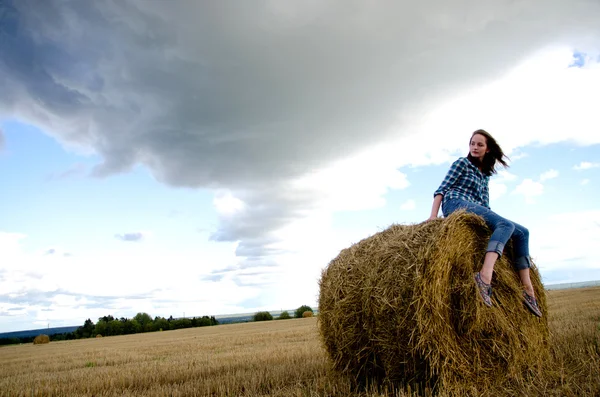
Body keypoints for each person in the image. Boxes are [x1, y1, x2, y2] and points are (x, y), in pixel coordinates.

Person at [428, 129, 542, 317]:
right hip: (455, 203)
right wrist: (433, 216)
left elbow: (486, 206)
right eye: (472, 143)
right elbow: (441, 190)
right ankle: (484, 276)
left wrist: (494, 225)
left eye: (479, 144)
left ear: (488, 149)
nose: (475, 147)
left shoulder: (485, 176)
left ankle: (527, 288)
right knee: (506, 225)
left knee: (522, 232)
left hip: (475, 208)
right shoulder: (462, 163)